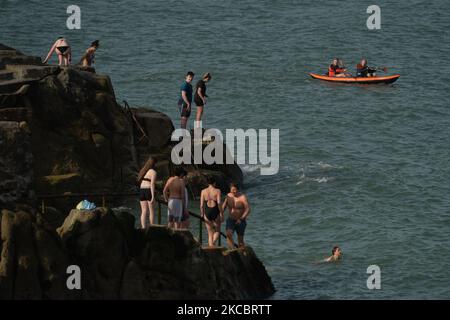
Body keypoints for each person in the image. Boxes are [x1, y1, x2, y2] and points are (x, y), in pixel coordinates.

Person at [222, 183, 250, 249]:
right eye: (231, 190)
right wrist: (220, 214)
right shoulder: (228, 196)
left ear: (237, 189)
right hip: (231, 219)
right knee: (228, 234)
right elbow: (224, 205)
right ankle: (232, 250)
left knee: (240, 240)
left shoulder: (243, 197)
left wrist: (241, 218)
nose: (233, 191)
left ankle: (242, 254)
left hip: (240, 221)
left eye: (234, 190)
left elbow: (248, 209)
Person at [200, 176, 223, 247]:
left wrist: (202, 214)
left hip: (206, 211)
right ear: (214, 183)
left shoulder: (203, 191)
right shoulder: (218, 191)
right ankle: (212, 244)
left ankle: (211, 247)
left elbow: (201, 205)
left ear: (207, 183)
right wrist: (221, 213)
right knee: (217, 231)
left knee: (210, 234)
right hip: (215, 211)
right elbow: (219, 203)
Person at [137, 157, 157, 228]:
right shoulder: (153, 172)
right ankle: (151, 227)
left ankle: (143, 227)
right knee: (151, 211)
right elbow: (152, 184)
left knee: (144, 211)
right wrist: (153, 196)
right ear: (154, 164)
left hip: (142, 190)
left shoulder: (143, 170)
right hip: (148, 190)